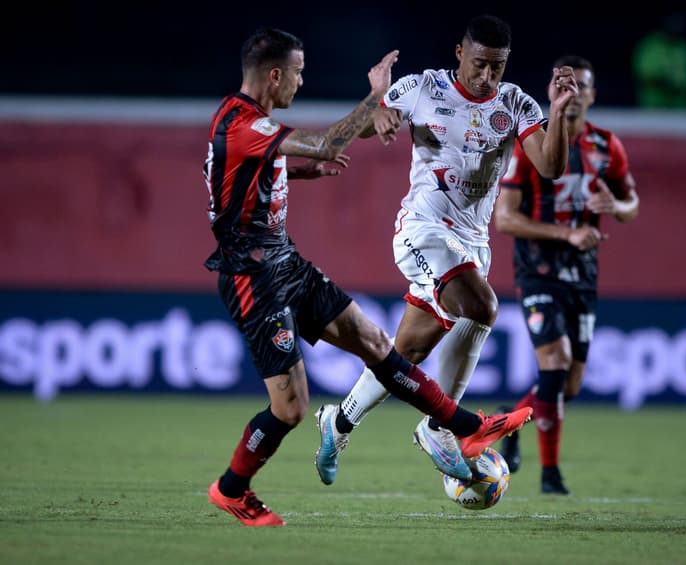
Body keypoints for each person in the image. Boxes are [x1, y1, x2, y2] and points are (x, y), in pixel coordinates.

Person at [202, 27, 533, 527]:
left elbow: (228, 173)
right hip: (254, 276)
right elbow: (325, 141)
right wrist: (376, 96)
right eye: (297, 72)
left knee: (378, 344)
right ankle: (230, 489)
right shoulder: (242, 124)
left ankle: (456, 425)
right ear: (274, 75)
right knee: (290, 409)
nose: (301, 79)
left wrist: (289, 174)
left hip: (285, 262)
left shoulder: (247, 125)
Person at [313, 14, 578, 485]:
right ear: (460, 53)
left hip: (473, 244)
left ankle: (339, 421)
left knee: (405, 354)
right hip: (422, 229)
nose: (486, 76)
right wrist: (379, 108)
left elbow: (551, 167)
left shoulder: (515, 102)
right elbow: (358, 128)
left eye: (496, 67)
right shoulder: (423, 88)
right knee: (481, 306)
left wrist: (558, 112)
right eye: (479, 64)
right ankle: (441, 426)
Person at [495, 55, 640, 494]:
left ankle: (509, 421)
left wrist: (615, 207)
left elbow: (632, 205)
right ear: (552, 91)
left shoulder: (605, 146)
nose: (573, 94)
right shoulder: (530, 143)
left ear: (592, 96)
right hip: (538, 268)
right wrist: (567, 233)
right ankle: (550, 476)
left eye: (582, 87)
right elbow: (504, 218)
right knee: (554, 367)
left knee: (568, 385)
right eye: (566, 85)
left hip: (583, 272)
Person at [632, 12, 686, 109]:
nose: (675, 30)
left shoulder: (684, 46)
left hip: (681, 105)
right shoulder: (652, 45)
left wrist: (678, 86)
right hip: (654, 104)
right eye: (672, 26)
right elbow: (644, 73)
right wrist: (663, 82)